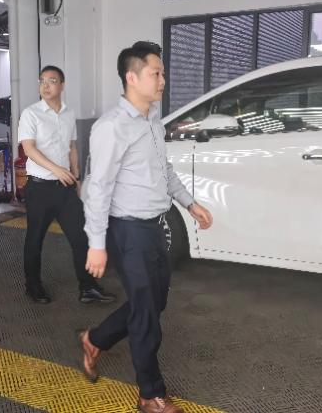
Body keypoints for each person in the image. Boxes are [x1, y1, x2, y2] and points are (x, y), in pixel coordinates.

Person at [80, 42, 213, 413]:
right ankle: (150, 394)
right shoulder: (111, 127)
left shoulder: (153, 120)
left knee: (154, 304)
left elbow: (164, 171)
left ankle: (95, 339)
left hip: (156, 227)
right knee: (146, 316)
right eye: (156, 73)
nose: (163, 80)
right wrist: (96, 243)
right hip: (128, 232)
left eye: (162, 73)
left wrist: (190, 203)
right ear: (132, 77)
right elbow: (98, 188)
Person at [18, 65, 116, 305]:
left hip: (65, 188)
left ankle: (88, 288)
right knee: (35, 240)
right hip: (39, 188)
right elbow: (28, 149)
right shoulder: (30, 113)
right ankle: (33, 286)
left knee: (81, 236)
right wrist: (56, 169)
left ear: (62, 86)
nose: (45, 85)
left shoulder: (69, 113)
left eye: (52, 81)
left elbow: (71, 146)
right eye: (42, 81)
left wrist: (76, 176)